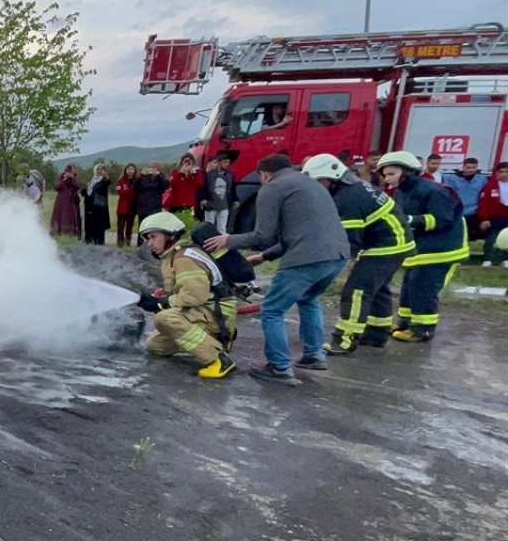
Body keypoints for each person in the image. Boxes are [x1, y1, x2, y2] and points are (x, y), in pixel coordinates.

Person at [204, 154, 350, 386]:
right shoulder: (311, 185)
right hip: (338, 255)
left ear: (264, 174)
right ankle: (314, 355)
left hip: (306, 258)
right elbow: (296, 233)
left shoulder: (272, 188)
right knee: (308, 300)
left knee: (272, 309)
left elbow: (263, 236)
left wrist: (228, 240)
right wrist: (264, 257)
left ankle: (279, 367)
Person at [301, 154, 415, 355]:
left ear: (332, 177)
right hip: (396, 242)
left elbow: (348, 241)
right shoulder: (352, 189)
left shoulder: (348, 199)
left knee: (356, 291)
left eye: (319, 182)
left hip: (386, 246)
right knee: (377, 289)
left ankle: (344, 340)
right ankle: (376, 333)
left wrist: (336, 266)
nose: (316, 187)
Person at [377, 151, 469, 343]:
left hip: (442, 250)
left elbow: (443, 219)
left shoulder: (435, 191)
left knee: (423, 289)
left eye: (391, 174)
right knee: (409, 286)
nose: (387, 179)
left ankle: (422, 329)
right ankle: (406, 322)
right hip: (421, 249)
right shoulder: (402, 190)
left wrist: (412, 220)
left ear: (407, 172)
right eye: (385, 175)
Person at [135, 212, 236, 379]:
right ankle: (214, 342)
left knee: (165, 319)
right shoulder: (176, 255)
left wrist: (161, 303)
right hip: (206, 313)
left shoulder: (184, 258)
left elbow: (194, 296)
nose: (149, 243)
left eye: (153, 237)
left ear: (170, 235)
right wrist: (160, 297)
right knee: (155, 346)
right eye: (147, 238)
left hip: (216, 316)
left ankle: (218, 359)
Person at [444, 157, 489, 241]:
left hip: (473, 213)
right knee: (456, 236)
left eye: (473, 167)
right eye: (468, 167)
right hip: (457, 212)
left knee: (470, 237)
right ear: (463, 167)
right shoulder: (451, 178)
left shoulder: (482, 179)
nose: (471, 170)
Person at [475, 161, 508, 266]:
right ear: (497, 173)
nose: (504, 174)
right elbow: (483, 203)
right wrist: (485, 219)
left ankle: (505, 259)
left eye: (507, 171)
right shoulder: (490, 186)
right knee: (491, 238)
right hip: (495, 218)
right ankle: (487, 259)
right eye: (501, 172)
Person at [131, 162, 169, 244]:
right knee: (142, 227)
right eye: (150, 167)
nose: (151, 169)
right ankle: (140, 244)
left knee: (153, 228)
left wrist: (158, 176)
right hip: (143, 206)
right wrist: (141, 176)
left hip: (155, 207)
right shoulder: (143, 178)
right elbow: (135, 188)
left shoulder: (161, 178)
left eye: (154, 167)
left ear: (158, 169)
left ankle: (152, 244)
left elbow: (165, 187)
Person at [200, 152, 237, 231]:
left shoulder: (230, 175)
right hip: (211, 205)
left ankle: (221, 243)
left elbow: (232, 188)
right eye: (225, 162)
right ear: (219, 163)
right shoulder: (210, 175)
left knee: (222, 228)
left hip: (224, 206)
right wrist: (203, 199)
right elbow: (204, 188)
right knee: (209, 227)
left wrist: (235, 200)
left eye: (228, 162)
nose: (227, 164)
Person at [51, 164, 82, 238]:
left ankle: (72, 233)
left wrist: (72, 179)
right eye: (70, 169)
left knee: (72, 217)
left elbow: (77, 186)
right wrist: (64, 179)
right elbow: (57, 187)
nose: (71, 171)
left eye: (73, 169)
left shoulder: (75, 177)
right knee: (61, 216)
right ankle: (59, 232)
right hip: (62, 200)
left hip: (72, 201)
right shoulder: (61, 176)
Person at [83, 164, 111, 245]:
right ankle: (89, 241)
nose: (99, 171)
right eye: (97, 169)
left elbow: (107, 182)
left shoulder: (103, 181)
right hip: (90, 207)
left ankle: (99, 243)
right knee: (90, 226)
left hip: (99, 208)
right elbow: (86, 193)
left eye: (101, 169)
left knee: (99, 226)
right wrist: (87, 187)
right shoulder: (92, 181)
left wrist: (106, 178)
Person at [115, 163, 139, 246]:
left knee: (129, 226)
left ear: (135, 171)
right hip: (122, 207)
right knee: (120, 227)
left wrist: (132, 190)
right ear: (125, 170)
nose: (130, 171)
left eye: (132, 169)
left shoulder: (137, 180)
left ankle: (128, 241)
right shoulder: (121, 180)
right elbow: (121, 192)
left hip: (132, 207)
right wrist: (131, 189)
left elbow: (137, 194)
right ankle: (120, 243)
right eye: (128, 169)